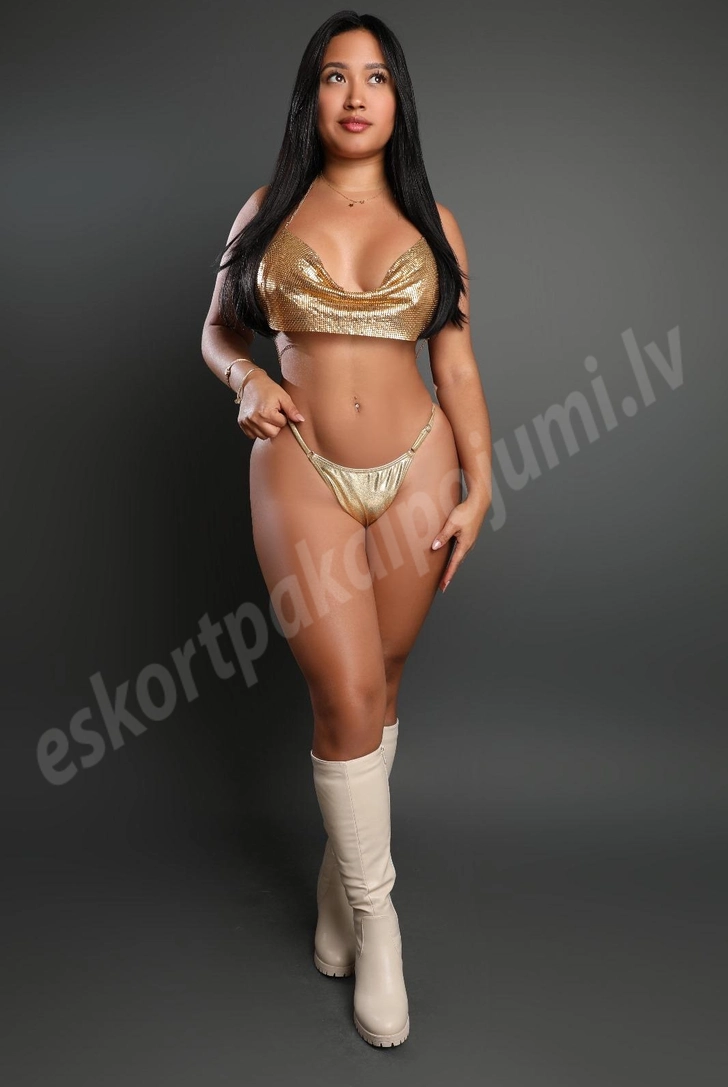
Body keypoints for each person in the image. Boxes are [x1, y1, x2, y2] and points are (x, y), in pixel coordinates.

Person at [201, 10, 492, 1048]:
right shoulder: (265, 210)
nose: (356, 95)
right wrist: (246, 381)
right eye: (335, 76)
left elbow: (455, 364)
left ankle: (336, 873)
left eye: (375, 77)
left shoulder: (436, 223)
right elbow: (217, 330)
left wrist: (481, 482)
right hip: (301, 467)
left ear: (397, 98)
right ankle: (377, 919)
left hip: (419, 464)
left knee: (385, 681)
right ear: (310, 97)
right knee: (347, 689)